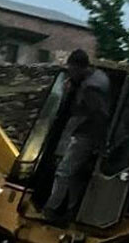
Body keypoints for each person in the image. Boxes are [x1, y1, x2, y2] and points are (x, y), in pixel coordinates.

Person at [42, 49, 111, 223]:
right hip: (85, 133)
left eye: (71, 70)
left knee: (63, 172)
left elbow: (100, 114)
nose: (70, 73)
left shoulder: (91, 88)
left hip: (86, 135)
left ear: (79, 68)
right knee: (74, 175)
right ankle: (71, 210)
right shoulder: (97, 77)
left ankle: (52, 207)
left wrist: (99, 144)